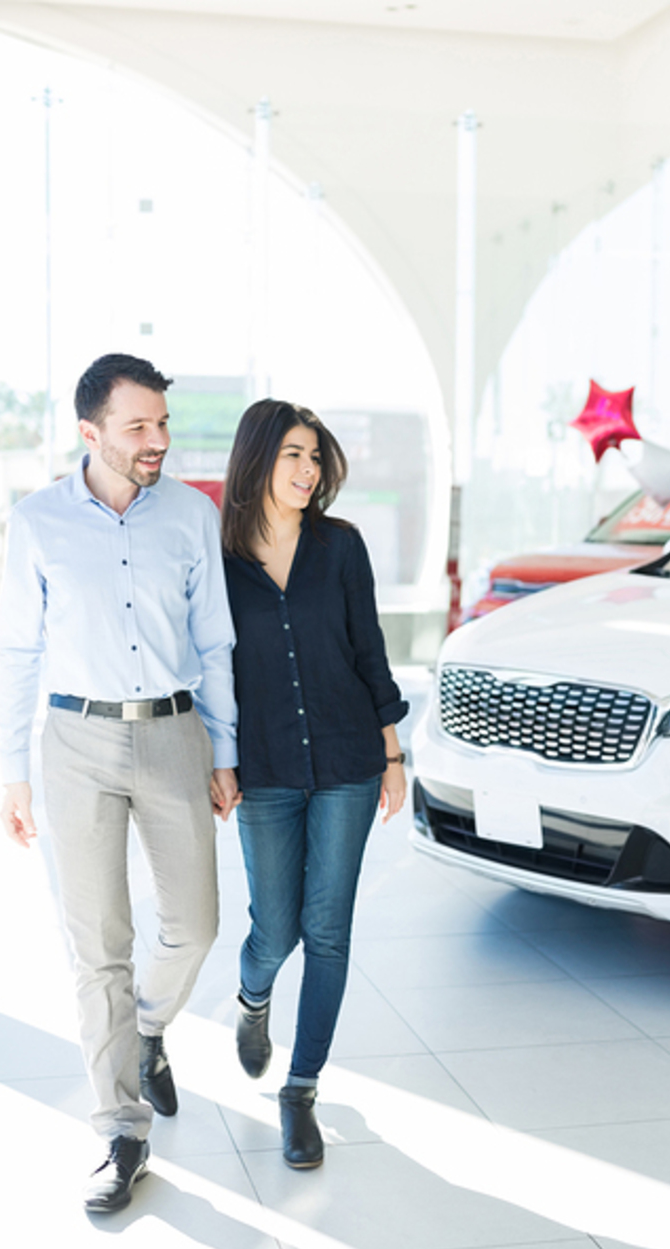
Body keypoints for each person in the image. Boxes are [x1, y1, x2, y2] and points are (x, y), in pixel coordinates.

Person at [0, 353, 240, 1215]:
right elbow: (17, 650)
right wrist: (10, 771)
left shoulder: (192, 516)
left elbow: (215, 641)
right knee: (98, 945)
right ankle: (120, 1130)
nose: (157, 441)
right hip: (76, 740)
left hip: (175, 732)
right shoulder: (38, 523)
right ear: (89, 432)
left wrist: (225, 750)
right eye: (139, 427)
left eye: (163, 423)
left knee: (197, 923)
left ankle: (149, 1027)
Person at [219, 399, 408, 1169]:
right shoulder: (220, 555)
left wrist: (393, 754)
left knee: (328, 931)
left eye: (315, 457)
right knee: (276, 929)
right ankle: (252, 997)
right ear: (258, 459)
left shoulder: (341, 546)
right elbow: (209, 666)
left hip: (348, 761)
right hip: (263, 766)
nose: (308, 470)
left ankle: (301, 1091)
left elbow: (370, 648)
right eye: (293, 454)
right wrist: (215, 758)